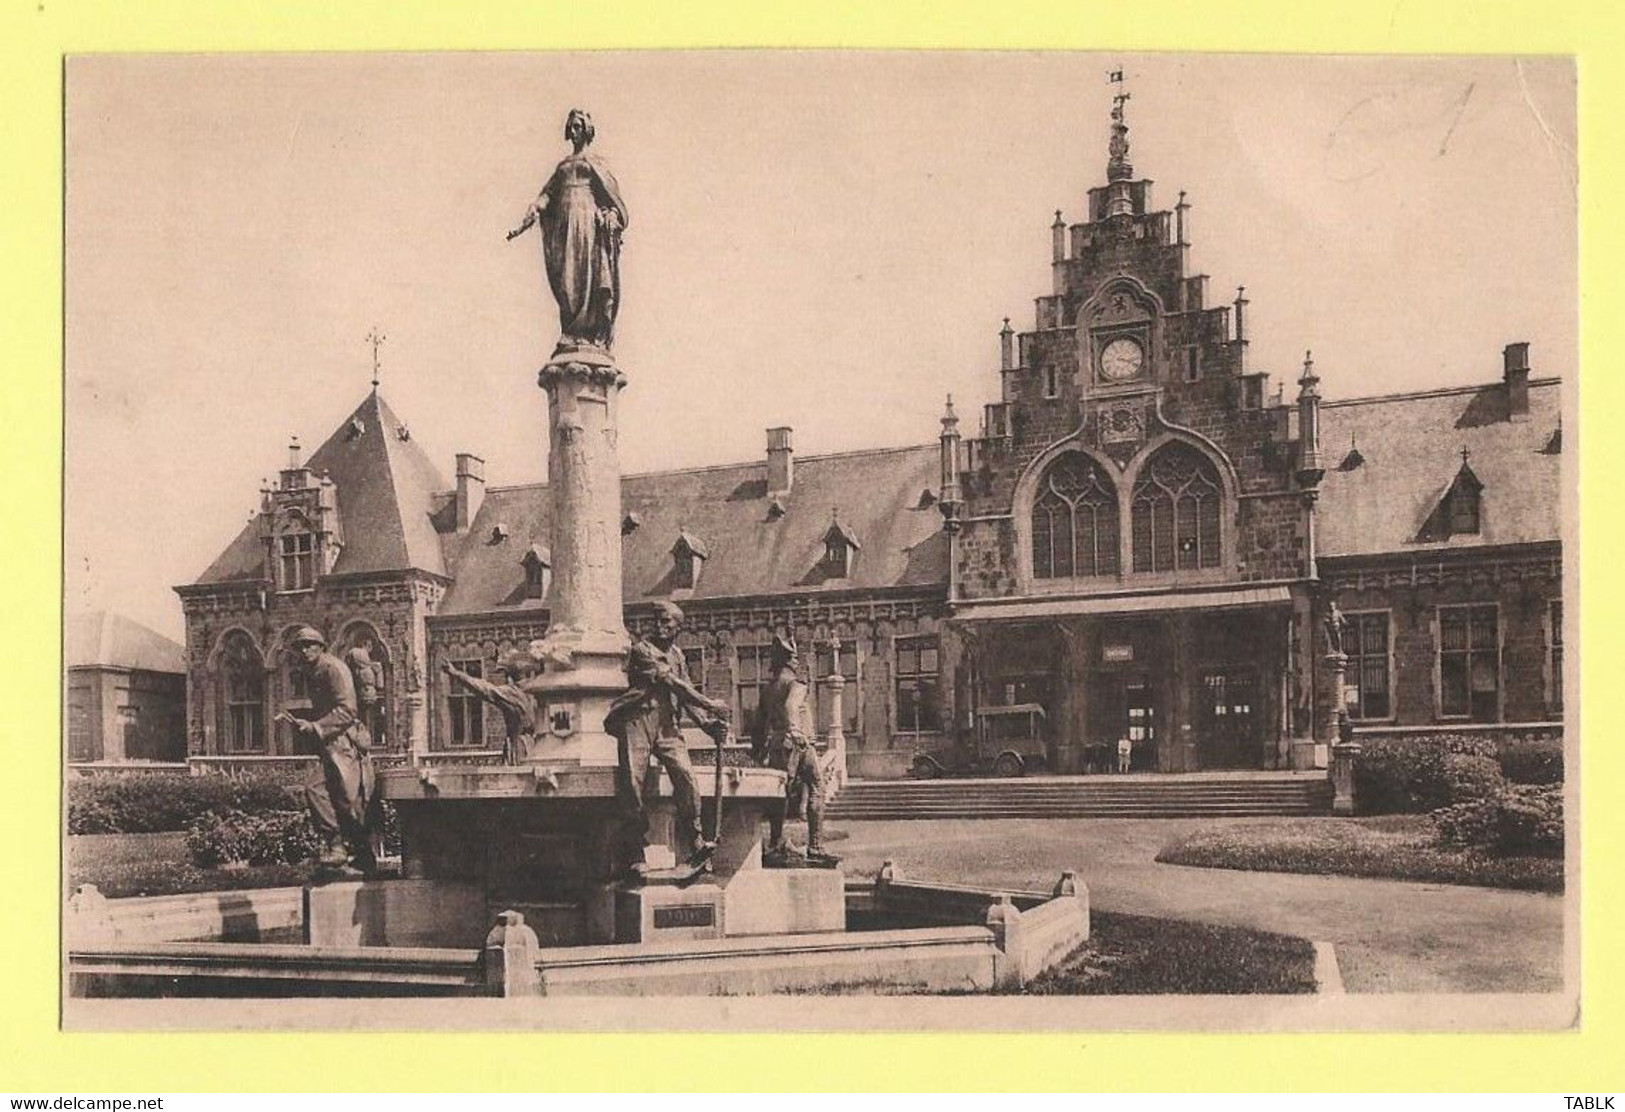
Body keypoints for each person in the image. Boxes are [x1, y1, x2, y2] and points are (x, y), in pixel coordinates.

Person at [604, 601, 729, 875]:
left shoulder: (678, 655)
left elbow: (685, 698)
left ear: (678, 627)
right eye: (656, 621)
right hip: (638, 720)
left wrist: (707, 725)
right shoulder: (642, 651)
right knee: (632, 781)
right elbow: (673, 684)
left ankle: (695, 838)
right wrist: (711, 704)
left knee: (686, 775)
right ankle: (635, 848)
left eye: (666, 623)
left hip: (667, 725)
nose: (659, 627)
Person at [507, 108, 629, 351]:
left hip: (588, 223)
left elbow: (612, 200)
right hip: (564, 224)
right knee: (567, 276)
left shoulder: (596, 164)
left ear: (586, 130)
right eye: (571, 127)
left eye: (578, 127)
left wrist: (612, 215)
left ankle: (589, 331)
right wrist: (532, 212)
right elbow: (547, 195)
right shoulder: (563, 167)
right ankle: (571, 331)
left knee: (589, 274)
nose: (574, 132)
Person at [278, 627, 378, 873]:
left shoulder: (333, 669)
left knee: (336, 796)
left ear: (321, 646)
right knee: (338, 798)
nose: (304, 650)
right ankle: (350, 851)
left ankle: (344, 849)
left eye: (309, 644)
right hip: (331, 744)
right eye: (299, 646)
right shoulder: (312, 671)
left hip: (345, 744)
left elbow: (347, 709)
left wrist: (315, 726)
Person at [751, 633, 833, 867]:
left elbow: (758, 724)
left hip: (777, 745)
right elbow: (791, 706)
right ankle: (816, 846)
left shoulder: (768, 689)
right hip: (798, 743)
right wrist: (796, 731)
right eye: (795, 658)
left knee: (781, 796)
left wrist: (757, 750)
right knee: (817, 786)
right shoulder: (797, 684)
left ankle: (776, 844)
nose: (798, 663)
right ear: (789, 661)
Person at [441, 650, 540, 764]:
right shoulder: (536, 689)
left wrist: (455, 673)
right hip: (538, 745)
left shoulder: (512, 693)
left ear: (510, 676)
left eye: (505, 675)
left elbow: (484, 689)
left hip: (520, 746)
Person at [344, 644, 386, 750]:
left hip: (365, 695)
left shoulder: (368, 669)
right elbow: (380, 685)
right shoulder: (372, 668)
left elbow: (380, 685)